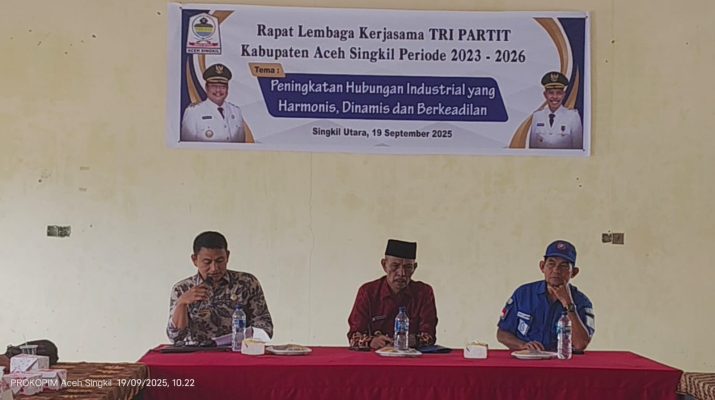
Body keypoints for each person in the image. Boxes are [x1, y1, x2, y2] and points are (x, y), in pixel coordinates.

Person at [167, 231, 273, 344]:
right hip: (196, 352)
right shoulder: (182, 289)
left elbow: (265, 328)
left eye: (220, 261)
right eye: (207, 262)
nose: (214, 268)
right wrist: (182, 303)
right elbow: (175, 338)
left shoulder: (247, 283)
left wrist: (234, 338)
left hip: (238, 350)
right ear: (194, 260)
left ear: (227, 256)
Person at [497, 240, 595, 352]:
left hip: (561, 360)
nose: (556, 270)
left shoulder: (582, 302)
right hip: (527, 358)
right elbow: (502, 333)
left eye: (563, 266)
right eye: (551, 264)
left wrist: (569, 304)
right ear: (542, 266)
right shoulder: (523, 294)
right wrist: (522, 345)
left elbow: (580, 344)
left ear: (574, 272)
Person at [347, 239, 438, 350]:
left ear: (414, 268)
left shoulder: (423, 292)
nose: (401, 273)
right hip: (375, 356)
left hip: (411, 356)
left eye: (408, 267)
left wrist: (407, 340)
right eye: (395, 266)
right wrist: (372, 341)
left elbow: (429, 336)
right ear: (384, 265)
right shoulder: (368, 292)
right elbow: (354, 337)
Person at [180, 63, 253, 142]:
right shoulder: (193, 112)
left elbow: (240, 145)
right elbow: (187, 146)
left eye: (222, 86)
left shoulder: (236, 111)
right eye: (214, 86)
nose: (218, 90)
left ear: (227, 89)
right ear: (206, 88)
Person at [528, 71, 583, 149]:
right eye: (551, 93)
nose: (555, 97)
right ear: (545, 95)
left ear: (563, 95)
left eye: (559, 93)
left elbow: (578, 148)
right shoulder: (537, 116)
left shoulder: (573, 117)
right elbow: (532, 148)